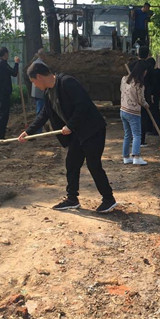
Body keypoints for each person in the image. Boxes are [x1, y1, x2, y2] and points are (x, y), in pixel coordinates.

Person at [18, 59, 117, 214]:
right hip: (79, 133)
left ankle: (109, 199)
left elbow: (83, 105)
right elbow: (44, 114)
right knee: (71, 163)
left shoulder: (67, 83)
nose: (34, 86)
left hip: (92, 130)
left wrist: (70, 125)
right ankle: (72, 199)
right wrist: (29, 132)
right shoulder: (48, 93)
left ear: (39, 77)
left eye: (33, 82)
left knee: (93, 165)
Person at [120, 59, 150, 166]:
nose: (146, 72)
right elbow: (140, 100)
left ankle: (126, 157)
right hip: (133, 112)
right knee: (137, 135)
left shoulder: (124, 79)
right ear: (142, 71)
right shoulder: (139, 84)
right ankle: (136, 157)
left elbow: (121, 90)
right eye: (145, 70)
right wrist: (146, 104)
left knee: (127, 135)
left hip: (123, 110)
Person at [0, 47, 20, 140]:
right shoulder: (2, 64)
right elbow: (14, 73)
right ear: (5, 54)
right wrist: (16, 63)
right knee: (4, 115)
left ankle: (0, 135)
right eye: (7, 53)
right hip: (3, 94)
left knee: (2, 114)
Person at [146, 57, 160, 136]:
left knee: (154, 112)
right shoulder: (158, 72)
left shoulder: (154, 73)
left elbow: (154, 85)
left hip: (153, 95)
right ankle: (151, 128)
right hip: (156, 94)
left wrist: (152, 94)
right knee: (153, 111)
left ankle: (155, 130)